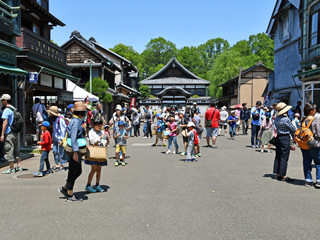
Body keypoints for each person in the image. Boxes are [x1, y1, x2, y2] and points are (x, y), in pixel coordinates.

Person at [58, 101, 87, 202]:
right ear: (81, 112)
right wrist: (75, 152)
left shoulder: (76, 120)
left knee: (78, 171)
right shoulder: (75, 122)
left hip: (76, 150)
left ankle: (65, 188)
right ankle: (70, 195)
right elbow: (73, 137)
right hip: (74, 151)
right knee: (73, 172)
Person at [273, 102, 296, 182]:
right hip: (285, 137)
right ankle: (283, 175)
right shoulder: (286, 119)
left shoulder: (277, 118)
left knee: (278, 155)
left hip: (278, 136)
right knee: (284, 156)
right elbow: (293, 129)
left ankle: (277, 173)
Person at [299, 103, 320, 187]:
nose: (315, 111)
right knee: (318, 162)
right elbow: (319, 133)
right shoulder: (316, 120)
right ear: (311, 111)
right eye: (314, 109)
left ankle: (308, 180)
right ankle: (318, 180)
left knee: (306, 162)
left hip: (304, 144)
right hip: (315, 144)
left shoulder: (303, 120)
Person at [85, 118, 108, 193]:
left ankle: (97, 184)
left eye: (100, 125)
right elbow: (92, 142)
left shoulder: (102, 131)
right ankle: (88, 185)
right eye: (97, 125)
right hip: (94, 153)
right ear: (93, 125)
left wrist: (106, 140)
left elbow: (105, 143)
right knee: (94, 169)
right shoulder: (91, 132)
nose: (99, 126)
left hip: (100, 152)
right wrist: (100, 138)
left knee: (99, 169)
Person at [1, 94, 22, 174]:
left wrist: (2, 134)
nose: (2, 102)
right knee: (16, 149)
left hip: (9, 132)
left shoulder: (6, 110)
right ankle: (19, 166)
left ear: (5, 101)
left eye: (2, 100)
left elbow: (5, 123)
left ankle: (11, 168)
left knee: (8, 149)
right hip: (15, 132)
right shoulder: (14, 108)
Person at [49, 106, 68, 172]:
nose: (50, 114)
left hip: (60, 139)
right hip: (56, 138)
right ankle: (56, 164)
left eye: (51, 113)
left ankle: (62, 165)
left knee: (61, 152)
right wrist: (53, 137)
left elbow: (63, 130)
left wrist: (62, 140)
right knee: (54, 151)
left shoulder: (60, 119)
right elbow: (55, 129)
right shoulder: (54, 119)